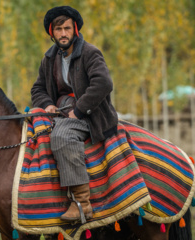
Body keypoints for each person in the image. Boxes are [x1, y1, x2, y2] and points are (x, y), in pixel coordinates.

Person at [31, 6, 118, 223]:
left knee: (62, 137)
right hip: (60, 113)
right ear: (52, 33)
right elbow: (38, 89)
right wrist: (47, 104)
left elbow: (103, 83)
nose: (63, 33)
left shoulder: (89, 52)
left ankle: (82, 203)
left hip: (91, 115)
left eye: (67, 28)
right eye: (58, 29)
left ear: (75, 30)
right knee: (29, 131)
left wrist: (78, 111)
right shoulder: (49, 59)